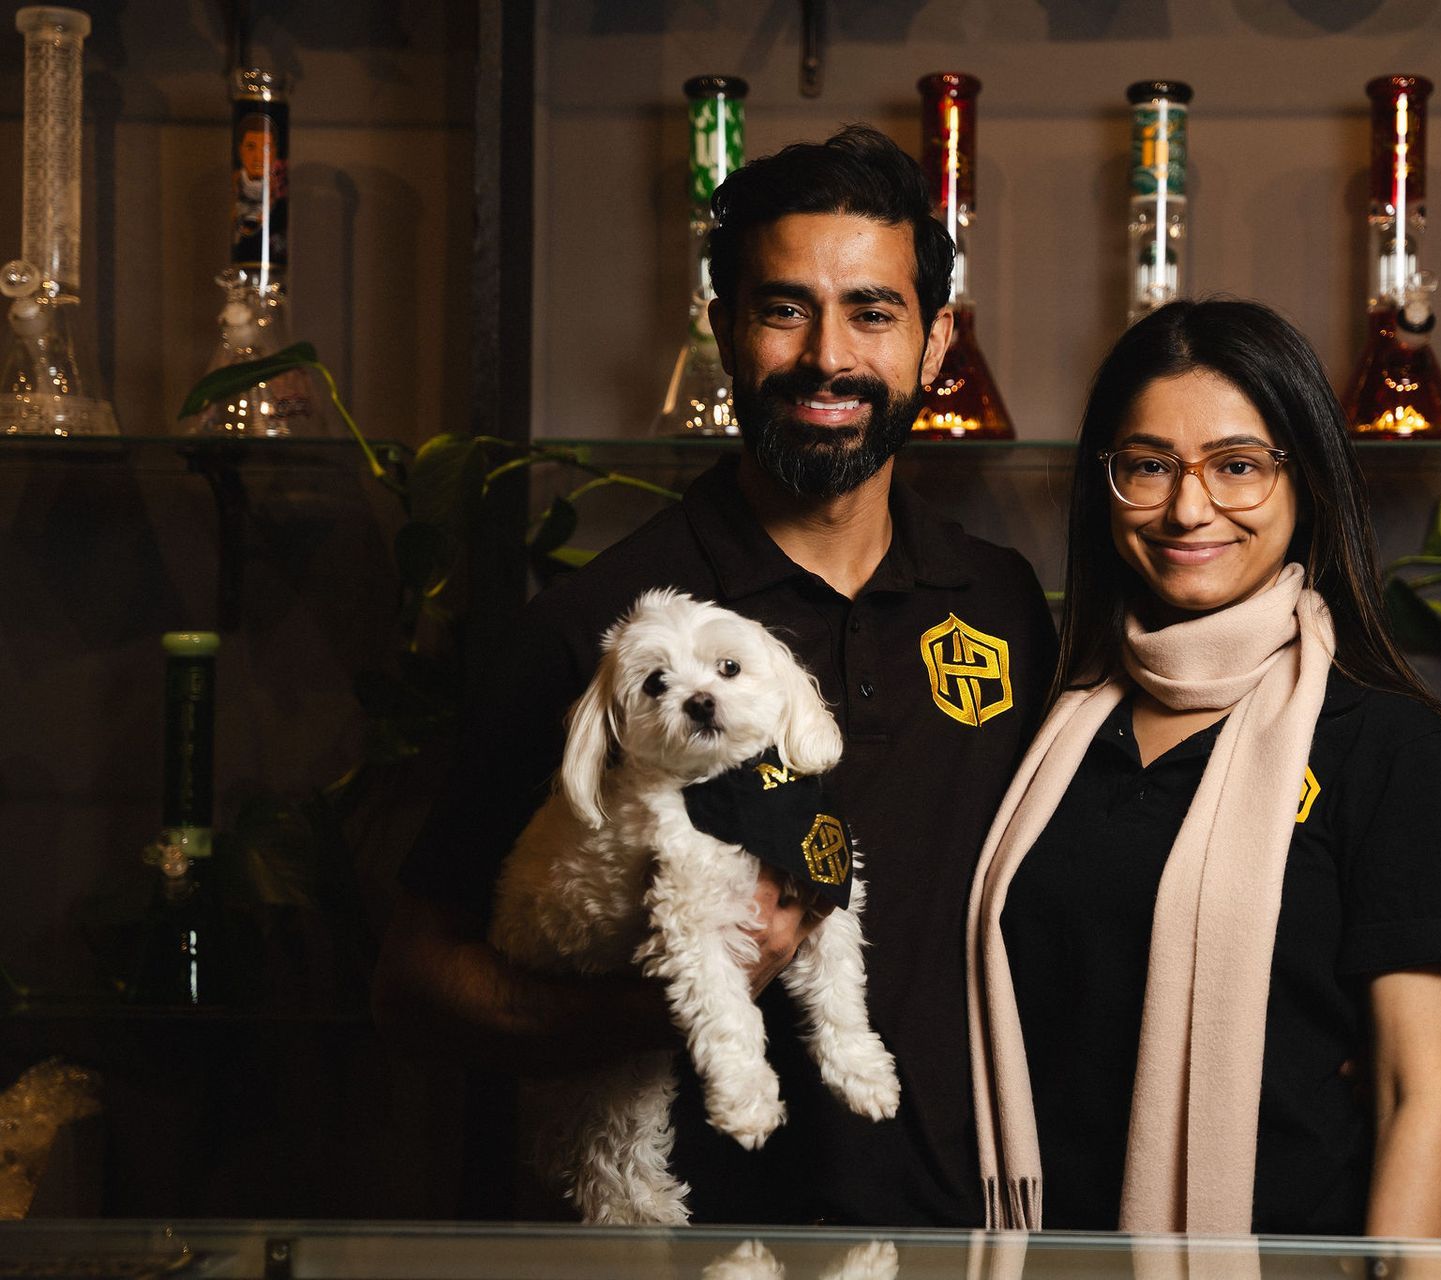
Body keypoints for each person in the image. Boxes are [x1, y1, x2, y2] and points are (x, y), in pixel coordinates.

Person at [373, 124, 1056, 1227]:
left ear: (935, 344)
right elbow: (414, 988)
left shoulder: (1004, 604)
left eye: (873, 312)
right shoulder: (598, 635)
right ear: (725, 330)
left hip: (950, 1241)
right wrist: (674, 999)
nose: (828, 354)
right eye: (784, 308)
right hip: (675, 1244)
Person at [966, 299, 1441, 1237]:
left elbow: (1414, 1101)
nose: (1189, 507)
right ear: (1106, 486)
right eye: (1149, 466)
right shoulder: (1047, 731)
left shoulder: (1389, 750)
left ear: (1305, 481)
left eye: (1237, 466)